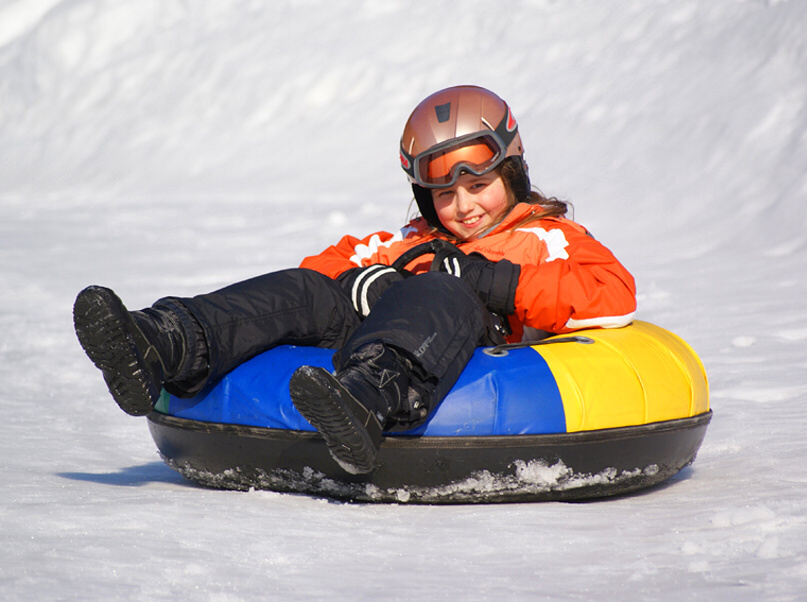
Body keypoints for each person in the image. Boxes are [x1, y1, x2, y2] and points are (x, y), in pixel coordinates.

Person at [73, 85, 637, 476]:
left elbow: (613, 294)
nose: (463, 207)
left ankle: (365, 401)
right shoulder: (413, 239)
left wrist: (489, 281)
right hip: (382, 330)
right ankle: (164, 341)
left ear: (510, 171)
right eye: (444, 194)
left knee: (441, 287)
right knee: (306, 292)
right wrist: (362, 284)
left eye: (478, 185)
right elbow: (320, 269)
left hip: (467, 344)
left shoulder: (547, 235)